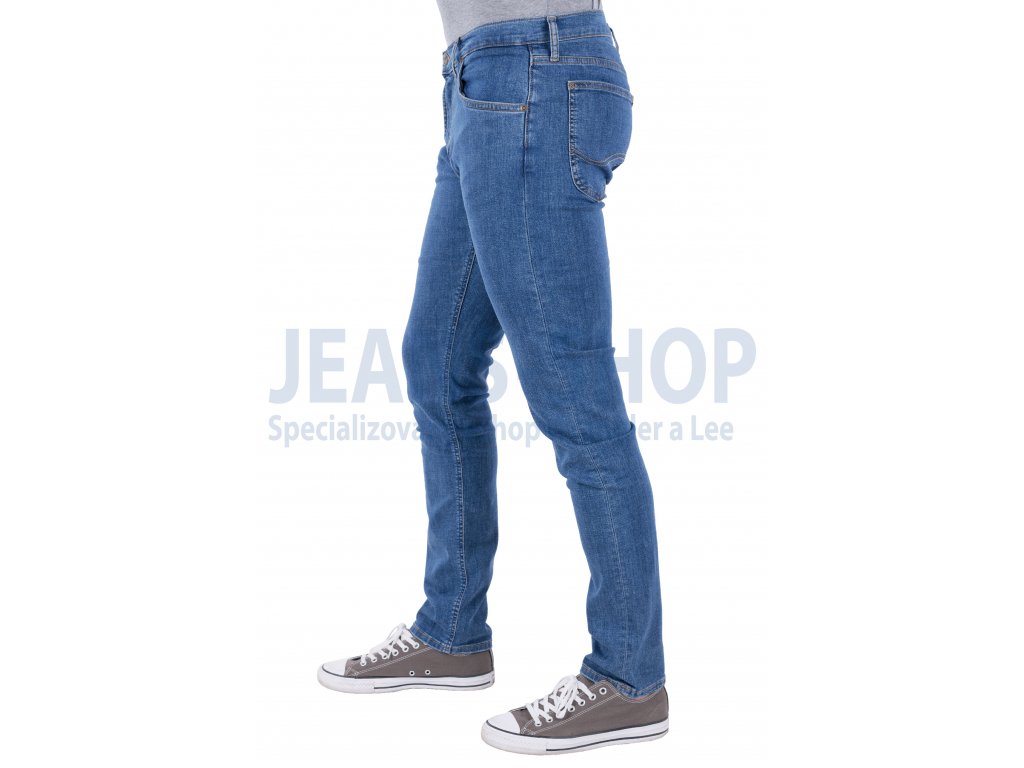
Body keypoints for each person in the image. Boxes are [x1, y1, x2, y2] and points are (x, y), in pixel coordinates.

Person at [319, 2, 668, 754]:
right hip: (483, 83)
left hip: (532, 73)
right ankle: (452, 632)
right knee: (437, 364)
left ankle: (629, 676)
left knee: (575, 397)